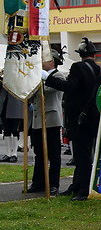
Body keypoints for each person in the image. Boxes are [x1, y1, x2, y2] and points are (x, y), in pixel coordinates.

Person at [44, 37, 101, 200]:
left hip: (79, 118)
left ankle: (83, 190)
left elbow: (70, 87)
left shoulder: (78, 67)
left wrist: (48, 78)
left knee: (82, 156)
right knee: (85, 154)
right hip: (94, 118)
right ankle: (77, 185)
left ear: (81, 54)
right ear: (93, 54)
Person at [30, 47, 65, 195]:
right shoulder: (39, 77)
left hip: (51, 120)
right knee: (39, 153)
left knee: (54, 154)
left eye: (44, 60)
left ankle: (53, 184)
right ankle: (38, 182)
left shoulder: (59, 77)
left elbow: (48, 90)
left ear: (52, 62)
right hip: (38, 120)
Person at [0, 81, 23, 163]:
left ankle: (14, 154)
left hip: (15, 106)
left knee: (15, 130)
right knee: (6, 131)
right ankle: (8, 153)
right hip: (4, 106)